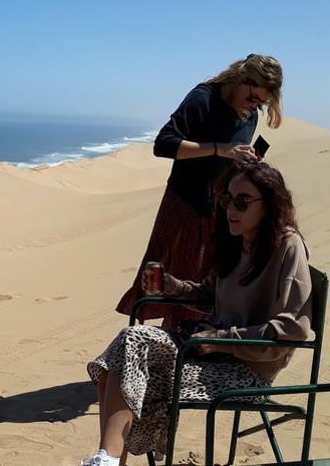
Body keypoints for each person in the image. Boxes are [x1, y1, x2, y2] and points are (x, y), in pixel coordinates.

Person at [81, 161, 312, 466]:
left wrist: (221, 339)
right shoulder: (238, 244)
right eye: (227, 199)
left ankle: (108, 460)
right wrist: (170, 286)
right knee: (122, 352)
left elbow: (293, 329)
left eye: (242, 202)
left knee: (125, 364)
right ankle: (108, 460)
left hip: (246, 373)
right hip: (208, 353)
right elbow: (209, 298)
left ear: (269, 204)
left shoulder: (287, 246)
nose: (231, 209)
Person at [116, 54, 284, 327]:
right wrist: (218, 148)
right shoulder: (203, 99)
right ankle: (165, 351)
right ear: (242, 79)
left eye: (261, 104)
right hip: (186, 206)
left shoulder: (249, 114)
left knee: (208, 288)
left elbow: (229, 159)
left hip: (222, 212)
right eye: (253, 98)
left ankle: (190, 354)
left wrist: (244, 162)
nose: (255, 107)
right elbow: (164, 144)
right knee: (174, 283)